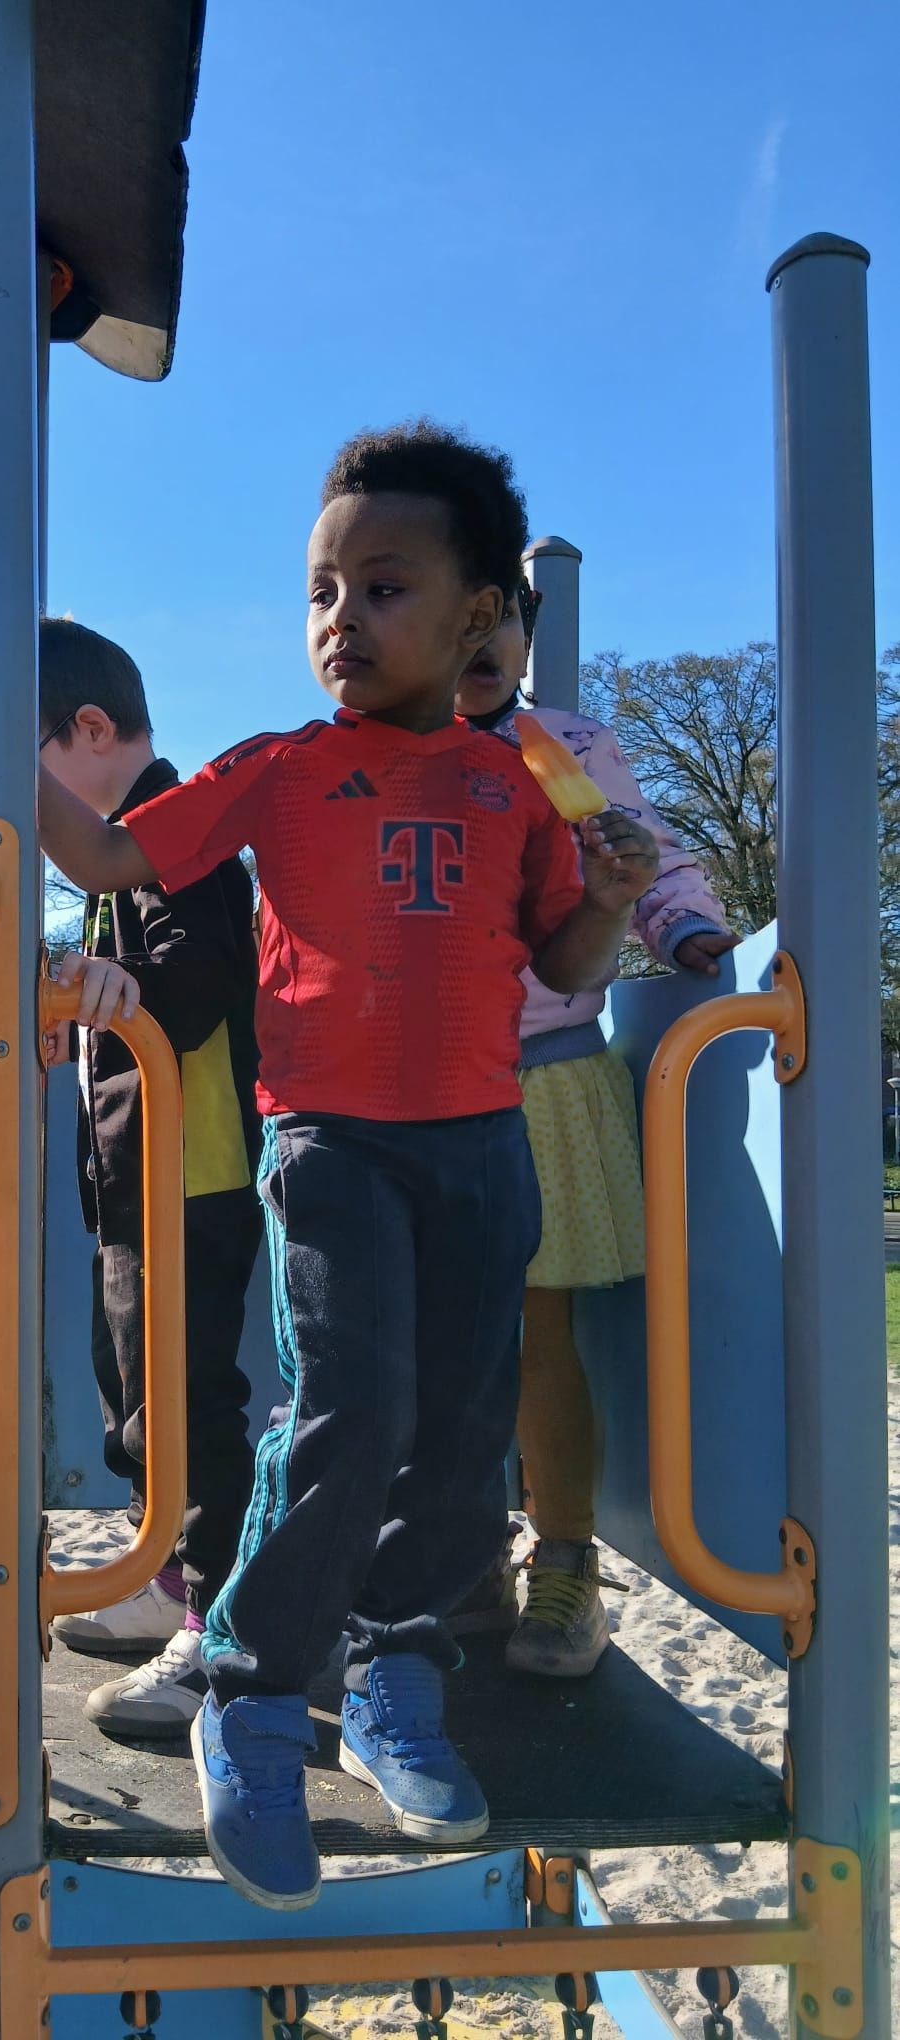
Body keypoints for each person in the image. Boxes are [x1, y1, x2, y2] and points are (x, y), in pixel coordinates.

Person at [0, 420, 661, 1910]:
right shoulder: (280, 769)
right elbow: (111, 860)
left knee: (464, 1428)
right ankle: (254, 1688)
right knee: (351, 1404)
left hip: (480, 1138)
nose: (343, 619)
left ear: (478, 615)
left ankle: (394, 1667)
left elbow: (563, 959)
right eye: (323, 591)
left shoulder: (514, 784)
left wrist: (608, 899)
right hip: (330, 1138)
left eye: (385, 588)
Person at [0, 615, 262, 1736]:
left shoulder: (177, 829)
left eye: (23, 756)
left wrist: (111, 986)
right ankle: (166, 1576)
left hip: (193, 1169)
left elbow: (199, 976)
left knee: (186, 1401)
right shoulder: (119, 856)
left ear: (88, 729)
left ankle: (217, 1623)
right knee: (132, 1391)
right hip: (136, 1176)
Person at [454, 587, 736, 1676]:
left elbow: (641, 850)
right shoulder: (386, 750)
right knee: (434, 1345)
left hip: (544, 1069)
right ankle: (462, 1550)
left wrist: (687, 927)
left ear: (524, 634)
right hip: (422, 1079)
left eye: (498, 616)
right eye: (452, 609)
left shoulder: (564, 746)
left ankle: (564, 1560)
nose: (478, 639)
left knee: (538, 1336)